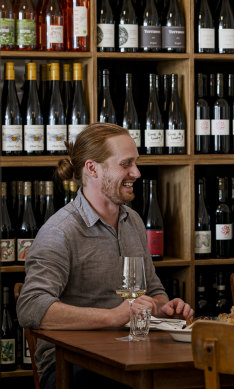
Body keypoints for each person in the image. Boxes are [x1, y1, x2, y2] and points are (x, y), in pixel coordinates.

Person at [16, 123, 194, 389]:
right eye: (126, 164)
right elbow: (31, 308)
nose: (137, 172)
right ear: (92, 168)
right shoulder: (60, 231)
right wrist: (113, 317)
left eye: (136, 163)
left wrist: (163, 308)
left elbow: (154, 290)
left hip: (131, 354)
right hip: (72, 365)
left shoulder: (131, 220)